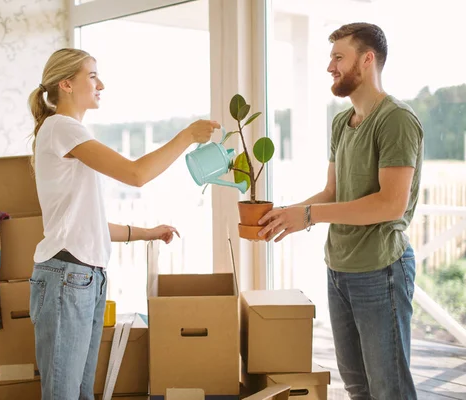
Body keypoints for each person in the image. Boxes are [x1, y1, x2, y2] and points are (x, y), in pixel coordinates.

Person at [27, 48, 220, 400]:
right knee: (63, 394)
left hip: (85, 277)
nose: (101, 83)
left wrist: (147, 233)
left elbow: (87, 223)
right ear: (66, 84)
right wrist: (188, 136)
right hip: (67, 277)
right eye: (92, 75)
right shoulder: (61, 128)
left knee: (82, 393)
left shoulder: (68, 132)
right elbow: (136, 174)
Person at [258, 23, 423, 399]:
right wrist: (288, 213)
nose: (329, 67)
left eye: (338, 57)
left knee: (389, 389)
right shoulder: (341, 122)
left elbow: (390, 203)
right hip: (339, 270)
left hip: (381, 271)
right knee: (357, 387)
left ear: (367, 60)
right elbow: (332, 192)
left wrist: (311, 215)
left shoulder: (395, 119)